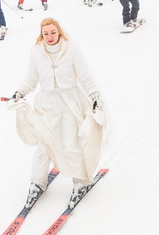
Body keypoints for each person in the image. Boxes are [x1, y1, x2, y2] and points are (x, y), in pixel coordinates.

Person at [9, 18, 106, 209]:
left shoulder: (71, 48)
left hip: (69, 103)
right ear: (41, 34)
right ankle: (37, 182)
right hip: (46, 104)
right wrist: (19, 92)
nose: (49, 37)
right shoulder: (37, 51)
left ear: (59, 32)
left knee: (71, 143)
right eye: (46, 33)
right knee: (43, 145)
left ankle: (81, 182)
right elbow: (31, 77)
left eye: (53, 32)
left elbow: (84, 75)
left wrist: (95, 95)